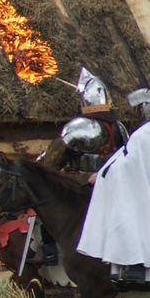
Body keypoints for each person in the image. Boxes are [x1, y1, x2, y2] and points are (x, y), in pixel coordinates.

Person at [77, 88, 150, 283]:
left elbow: (127, 165)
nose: (137, 113)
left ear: (146, 110)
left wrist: (102, 178)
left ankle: (134, 266)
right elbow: (127, 159)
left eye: (139, 109)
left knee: (128, 215)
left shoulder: (145, 135)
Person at [36, 67, 127, 263]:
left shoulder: (78, 127)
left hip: (81, 186)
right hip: (113, 186)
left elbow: (50, 164)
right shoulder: (120, 127)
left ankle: (49, 251)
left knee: (43, 196)